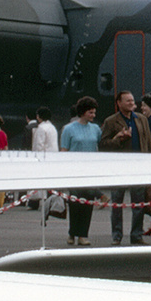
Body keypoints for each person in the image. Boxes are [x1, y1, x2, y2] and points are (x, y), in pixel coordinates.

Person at [99, 91, 151, 245]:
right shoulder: (111, 121)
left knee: (139, 204)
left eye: (132, 100)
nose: (131, 103)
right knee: (117, 203)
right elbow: (103, 145)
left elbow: (148, 142)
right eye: (127, 101)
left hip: (139, 167)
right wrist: (118, 139)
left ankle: (137, 235)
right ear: (119, 103)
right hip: (119, 169)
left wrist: (150, 163)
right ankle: (117, 235)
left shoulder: (141, 119)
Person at [59, 97, 101, 246]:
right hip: (74, 170)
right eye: (90, 112)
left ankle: (83, 234)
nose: (93, 115)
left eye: (94, 112)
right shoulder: (68, 129)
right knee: (75, 202)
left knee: (88, 202)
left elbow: (100, 146)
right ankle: (72, 232)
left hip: (90, 170)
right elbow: (64, 149)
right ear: (83, 112)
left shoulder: (96, 129)